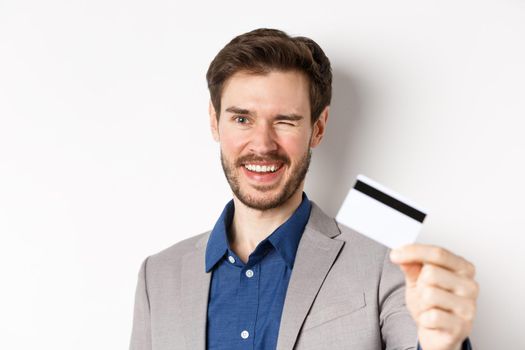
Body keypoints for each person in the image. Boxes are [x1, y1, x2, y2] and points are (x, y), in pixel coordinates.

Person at [130, 28, 478, 350]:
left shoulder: (384, 260)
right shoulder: (157, 276)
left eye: (285, 121)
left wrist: (442, 344)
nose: (262, 145)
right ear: (214, 121)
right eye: (242, 119)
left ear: (318, 127)